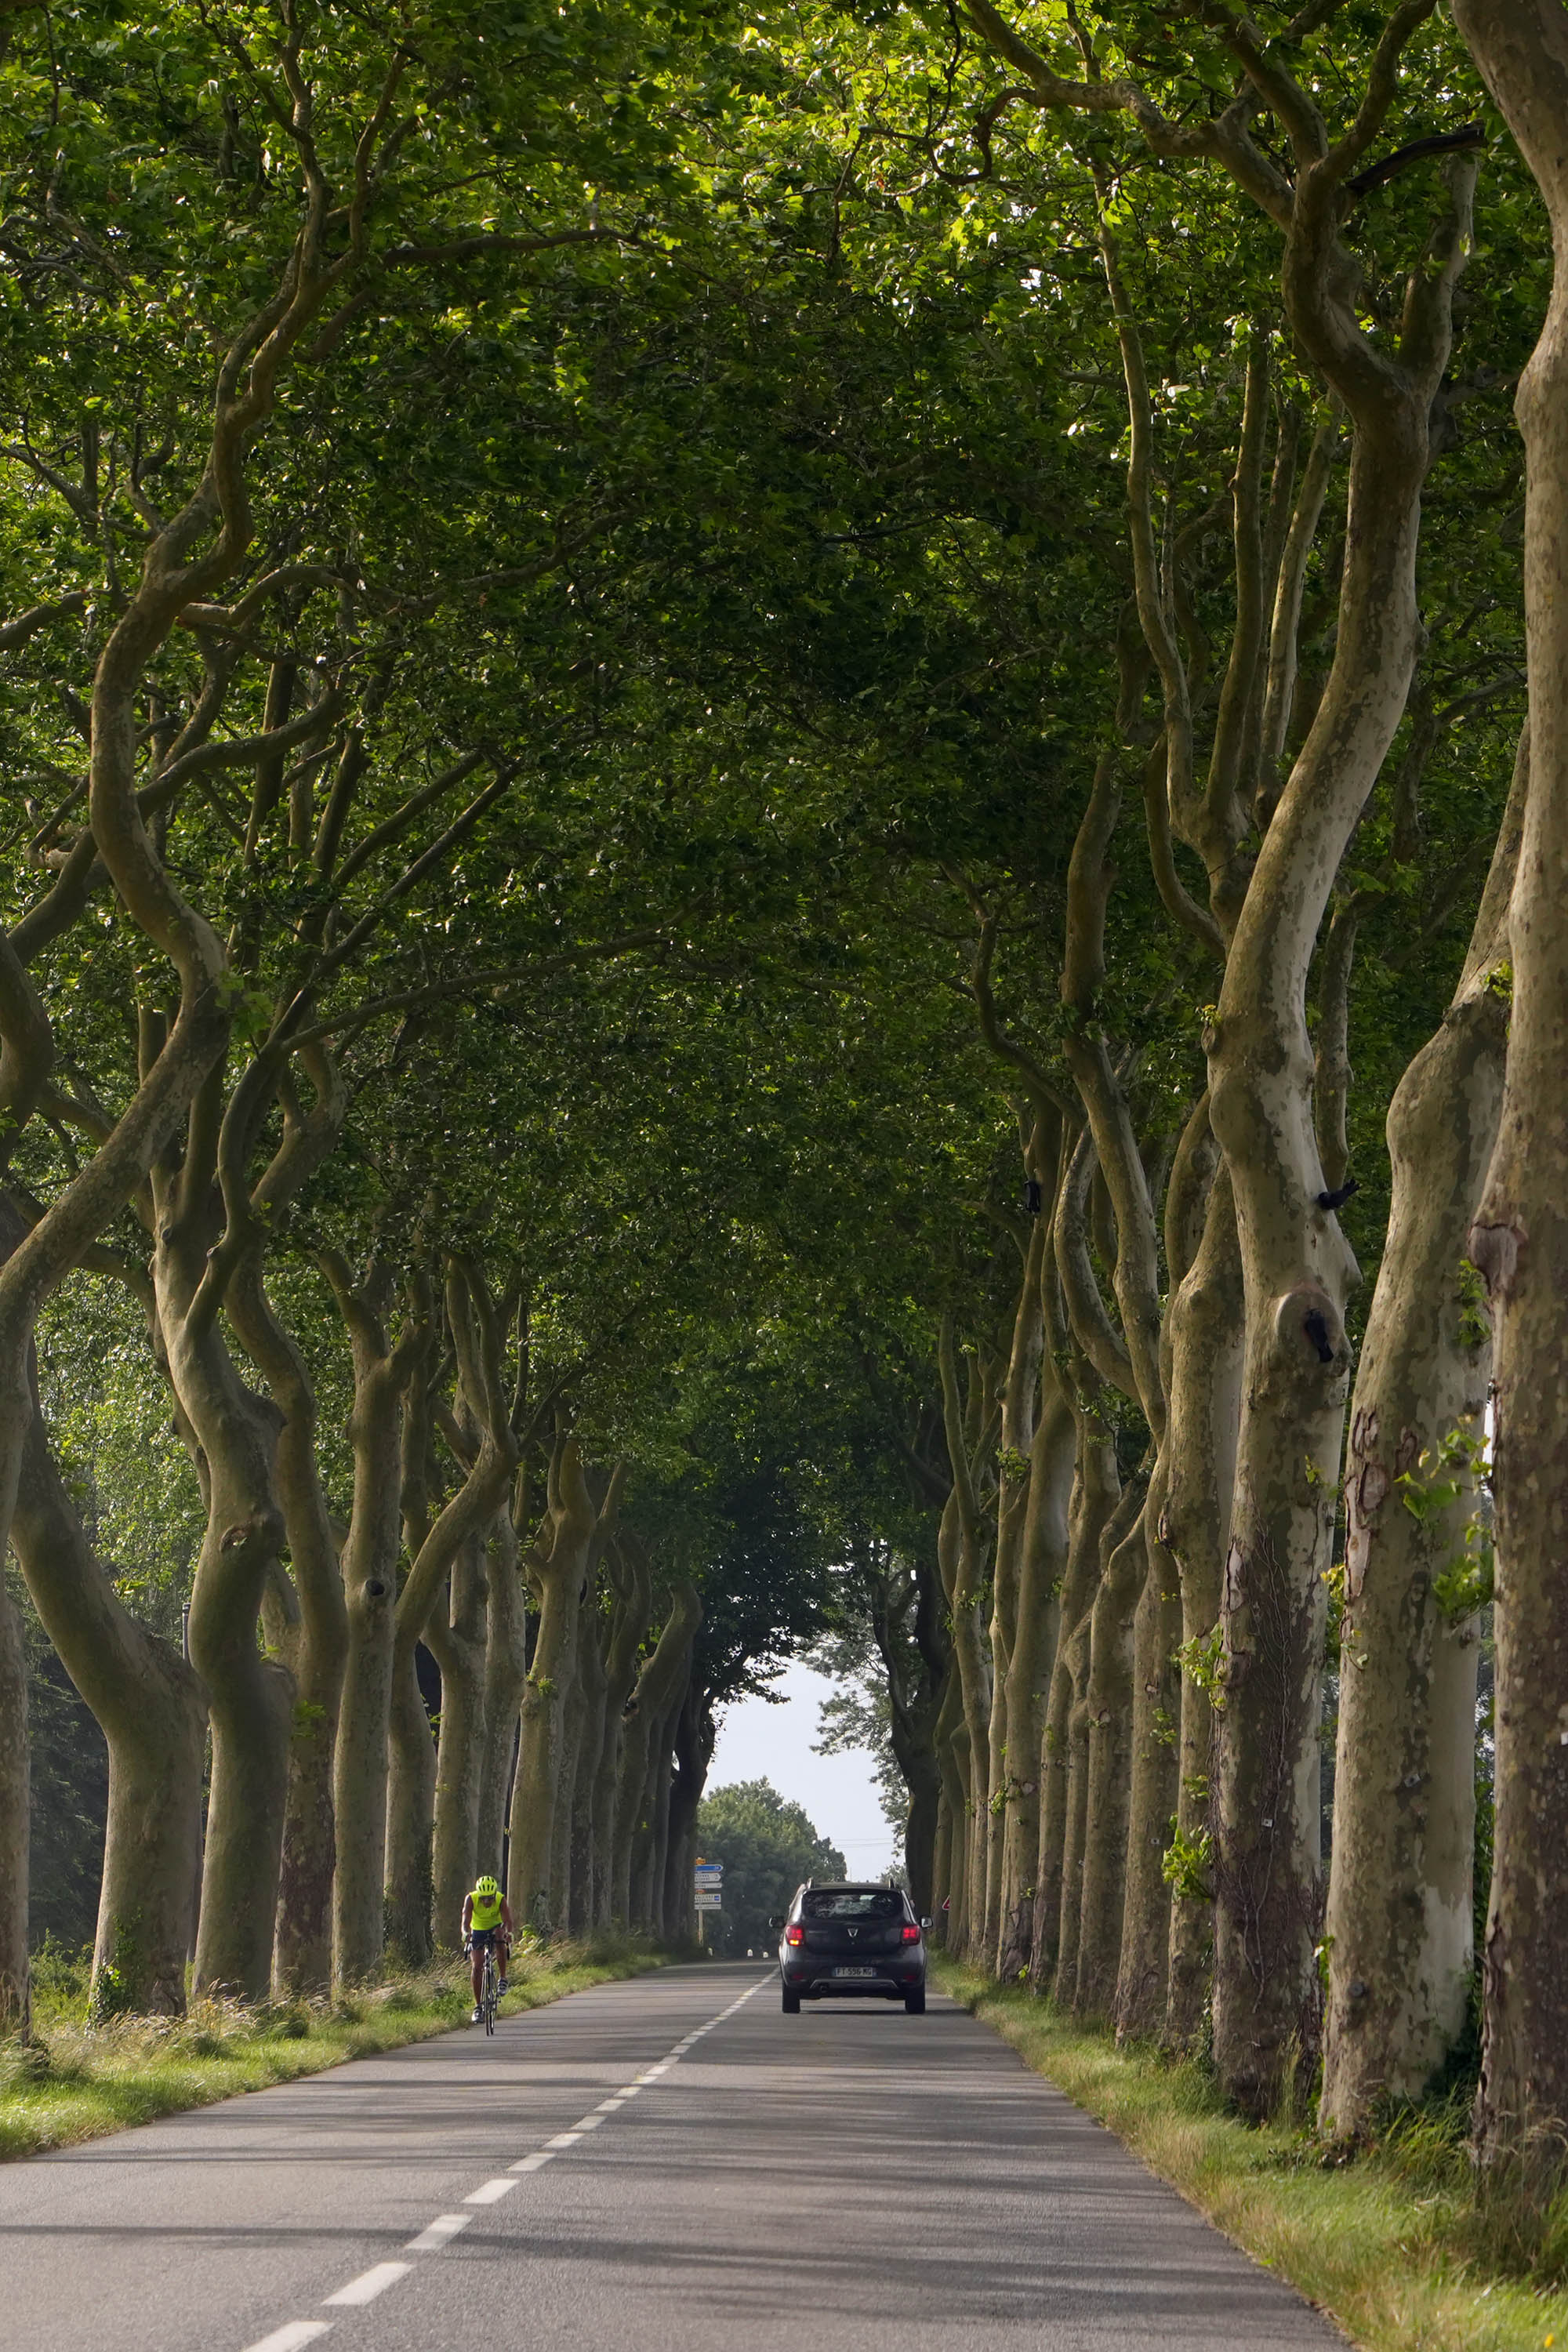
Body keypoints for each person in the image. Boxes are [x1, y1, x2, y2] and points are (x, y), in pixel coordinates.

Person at [463, 1875, 513, 2024]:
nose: (487, 1901)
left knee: (500, 1936)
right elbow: (465, 1921)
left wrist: (508, 1933)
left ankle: (503, 1978)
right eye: (483, 1898)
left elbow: (508, 1920)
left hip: (495, 1928)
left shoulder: (500, 1899)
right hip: (477, 1930)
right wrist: (465, 1934)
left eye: (490, 1898)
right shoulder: (471, 1899)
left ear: (494, 1895)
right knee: (477, 1966)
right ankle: (478, 2007)